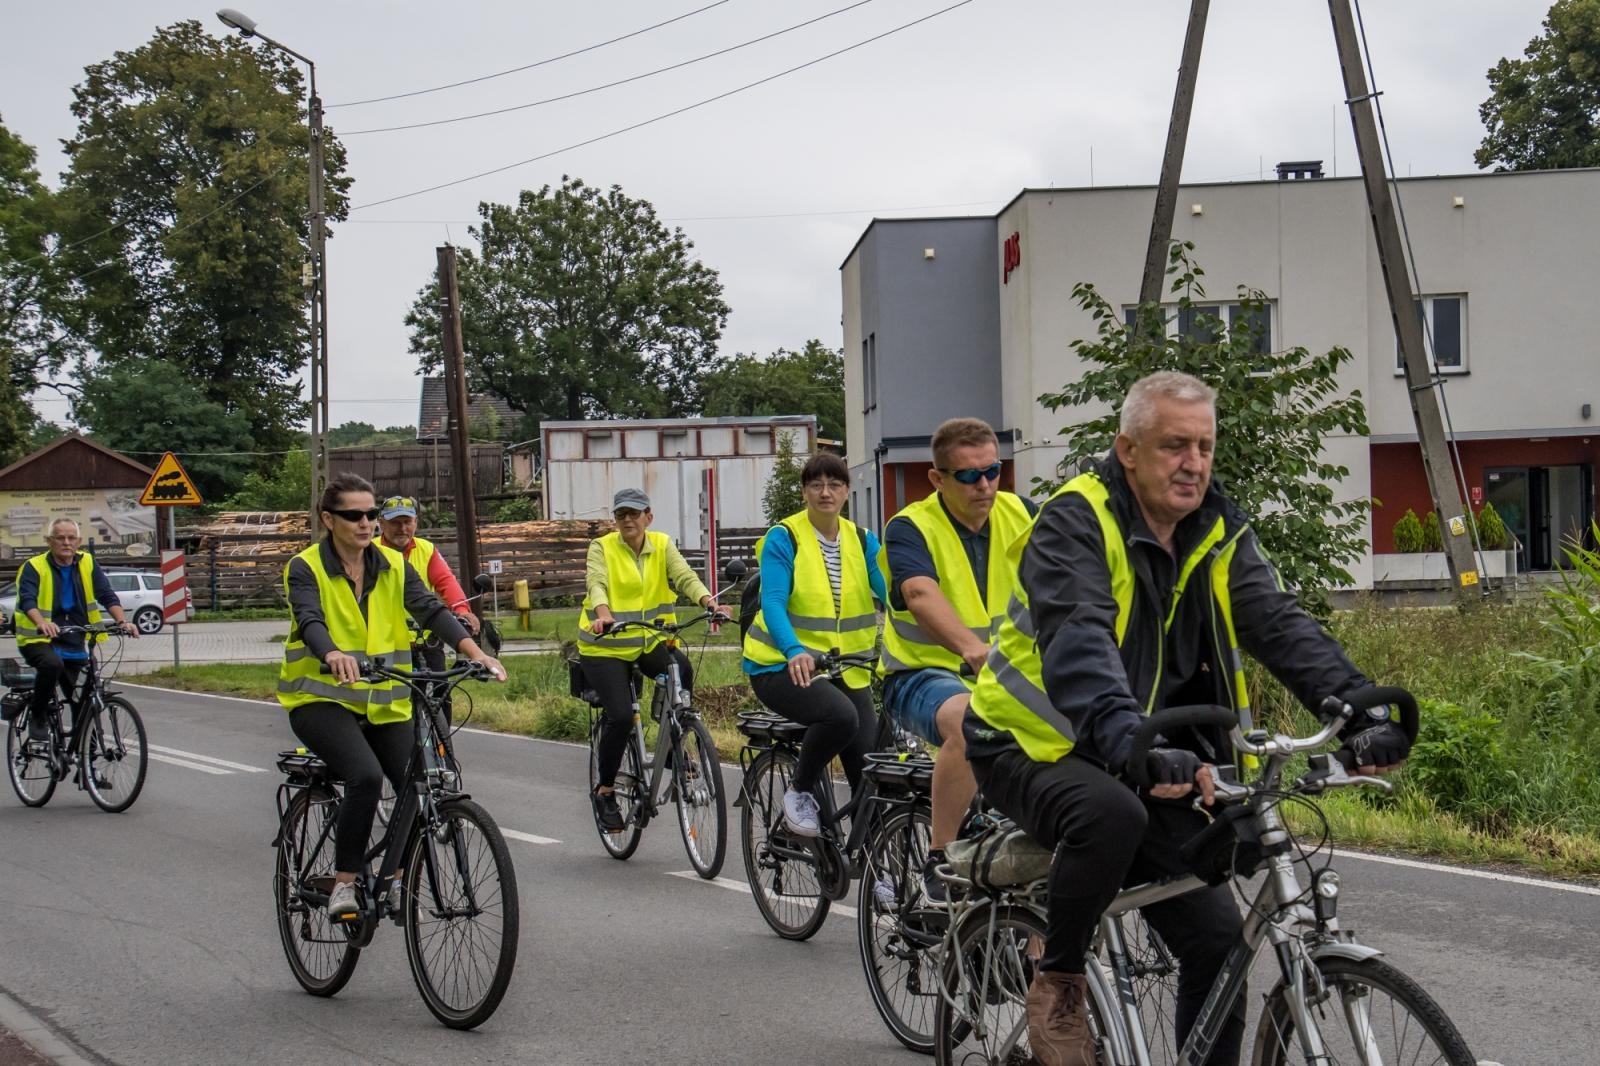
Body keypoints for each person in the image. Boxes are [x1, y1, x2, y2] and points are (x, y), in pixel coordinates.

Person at [964, 372, 1411, 1066]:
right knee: (1112, 816)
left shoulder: (1216, 527)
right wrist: (1131, 743)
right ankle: (1059, 980)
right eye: (1175, 445)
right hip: (1028, 743)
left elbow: (1278, 623)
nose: (1194, 463)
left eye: (1204, 446)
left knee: (1219, 937)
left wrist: (1357, 709)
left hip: (1138, 744)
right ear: (1129, 449)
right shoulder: (1076, 520)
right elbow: (1080, 639)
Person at [279, 473, 505, 920]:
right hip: (321, 701)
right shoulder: (305, 566)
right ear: (328, 518)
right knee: (364, 777)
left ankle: (396, 879)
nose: (365, 523)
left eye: (369, 513)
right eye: (353, 515)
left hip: (386, 701)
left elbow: (432, 609)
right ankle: (345, 884)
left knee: (416, 784)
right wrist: (332, 653)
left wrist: (476, 653)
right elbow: (309, 619)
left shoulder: (394, 565)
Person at [879, 418, 1035, 899]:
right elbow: (920, 593)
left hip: (1007, 676)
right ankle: (940, 858)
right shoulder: (910, 527)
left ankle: (1039, 955)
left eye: (993, 471)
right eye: (968, 476)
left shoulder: (1024, 513)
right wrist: (970, 647)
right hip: (921, 676)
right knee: (972, 721)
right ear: (937, 479)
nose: (984, 485)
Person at [742, 452, 888, 837]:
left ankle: (876, 873)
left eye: (835, 484)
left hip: (847, 668)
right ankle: (800, 791)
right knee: (841, 718)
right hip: (779, 665)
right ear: (805, 491)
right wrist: (793, 650)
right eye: (816, 485)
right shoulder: (785, 537)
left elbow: (890, 593)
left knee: (870, 770)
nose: (826, 492)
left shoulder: (862, 539)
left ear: (847, 491)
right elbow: (772, 601)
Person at [578, 487, 726, 832]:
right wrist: (604, 614)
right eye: (620, 515)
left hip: (648, 640)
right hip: (605, 646)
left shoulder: (661, 544)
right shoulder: (601, 547)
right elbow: (596, 583)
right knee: (620, 716)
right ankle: (605, 791)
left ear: (649, 516)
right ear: (615, 520)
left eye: (634, 513)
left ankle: (673, 742)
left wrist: (709, 604)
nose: (627, 520)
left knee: (682, 670)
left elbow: (685, 577)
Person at [13, 518, 138, 745]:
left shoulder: (87, 562)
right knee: (52, 665)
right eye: (60, 538)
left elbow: (106, 594)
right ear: (49, 541)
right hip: (39, 640)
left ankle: (87, 769)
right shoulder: (34, 566)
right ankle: (38, 715)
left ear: (79, 541)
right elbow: (27, 600)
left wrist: (122, 622)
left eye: (71, 538)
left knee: (84, 701)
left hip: (75, 639)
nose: (67, 542)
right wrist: (41, 622)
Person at [377, 494, 480, 721]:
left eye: (407, 522)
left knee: (443, 695)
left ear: (416, 522)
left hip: (428, 639)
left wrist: (463, 611)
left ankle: (443, 752)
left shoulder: (426, 549)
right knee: (394, 704)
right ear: (381, 523)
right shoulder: (370, 551)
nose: (402, 528)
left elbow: (446, 581)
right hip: (388, 644)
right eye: (395, 522)